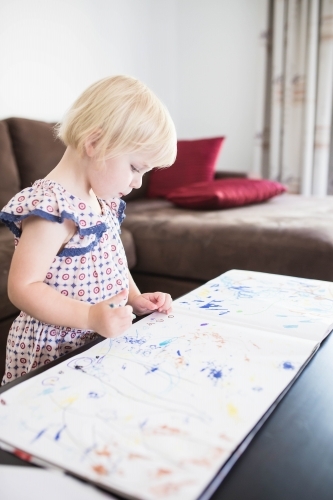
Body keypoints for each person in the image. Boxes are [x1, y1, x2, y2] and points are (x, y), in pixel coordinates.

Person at [0, 75, 177, 385]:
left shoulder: (101, 201)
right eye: (135, 168)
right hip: (54, 350)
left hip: (94, 337)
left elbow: (112, 264)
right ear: (94, 143)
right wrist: (90, 317)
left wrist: (134, 297)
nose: (137, 182)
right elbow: (23, 287)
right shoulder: (52, 209)